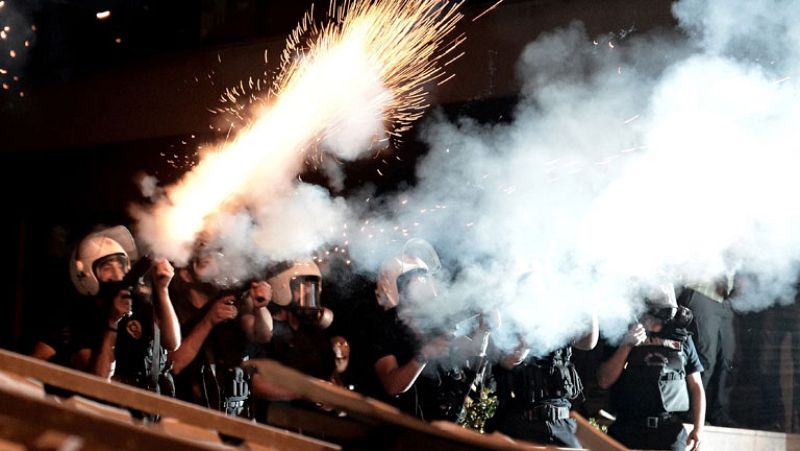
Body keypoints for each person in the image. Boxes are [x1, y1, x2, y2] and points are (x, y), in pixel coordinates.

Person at [31, 225, 181, 398]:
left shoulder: (139, 305)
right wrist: (112, 321)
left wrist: (162, 290)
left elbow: (172, 343)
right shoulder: (79, 317)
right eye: (107, 268)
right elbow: (99, 381)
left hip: (147, 416)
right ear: (88, 275)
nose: (118, 273)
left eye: (122, 264)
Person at [169, 237, 273, 418]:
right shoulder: (174, 308)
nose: (213, 264)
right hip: (193, 417)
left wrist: (260, 307)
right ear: (185, 274)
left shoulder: (234, 302)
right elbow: (175, 364)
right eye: (204, 261)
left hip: (237, 416)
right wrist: (209, 320)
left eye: (215, 257)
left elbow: (262, 334)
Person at [598, 284, 705, 451]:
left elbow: (696, 386)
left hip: (669, 430)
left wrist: (698, 429)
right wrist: (626, 345)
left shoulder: (681, 337)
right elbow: (604, 380)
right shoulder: (622, 333)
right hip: (628, 428)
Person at [491, 302, 599, 447]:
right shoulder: (509, 299)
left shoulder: (557, 302)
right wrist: (531, 336)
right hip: (520, 423)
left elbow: (587, 343)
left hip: (561, 423)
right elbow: (508, 360)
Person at [249, 258, 337, 403]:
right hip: (275, 417)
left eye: (313, 287)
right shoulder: (265, 328)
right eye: (302, 287)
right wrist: (304, 393)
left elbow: (328, 375)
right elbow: (254, 383)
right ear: (281, 288)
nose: (309, 295)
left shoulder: (314, 332)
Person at [678, 273, 737, 427]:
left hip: (724, 300)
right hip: (701, 291)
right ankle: (691, 412)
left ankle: (718, 413)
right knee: (704, 358)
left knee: (727, 360)